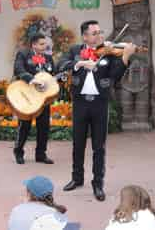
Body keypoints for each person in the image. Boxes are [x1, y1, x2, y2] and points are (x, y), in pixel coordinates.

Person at [58, 20, 136, 201]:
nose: (99, 36)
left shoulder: (108, 52)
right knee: (78, 143)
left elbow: (115, 76)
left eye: (100, 32)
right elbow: (61, 65)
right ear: (85, 36)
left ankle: (98, 183)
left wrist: (125, 56)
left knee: (99, 146)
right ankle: (76, 178)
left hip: (99, 104)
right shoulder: (75, 50)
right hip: (80, 103)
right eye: (94, 33)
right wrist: (80, 64)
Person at [13, 33, 55, 164]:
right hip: (27, 97)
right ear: (34, 45)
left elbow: (52, 74)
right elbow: (18, 69)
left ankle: (41, 154)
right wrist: (33, 80)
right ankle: (18, 152)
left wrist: (59, 77)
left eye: (45, 43)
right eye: (42, 44)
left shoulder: (48, 58)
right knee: (24, 126)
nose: (45, 46)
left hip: (43, 98)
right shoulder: (23, 54)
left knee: (44, 127)